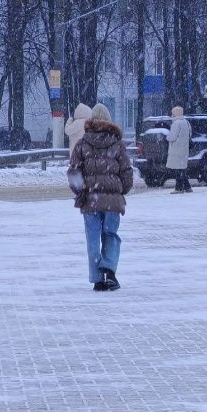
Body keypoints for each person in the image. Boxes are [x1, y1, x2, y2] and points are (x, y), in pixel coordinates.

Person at [68, 103, 133, 291]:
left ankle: (97, 279)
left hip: (90, 199)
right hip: (112, 201)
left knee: (93, 239)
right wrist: (121, 191)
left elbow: (74, 172)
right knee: (111, 234)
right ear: (109, 120)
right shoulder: (117, 144)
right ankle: (109, 271)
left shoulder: (82, 144)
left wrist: (80, 191)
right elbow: (126, 172)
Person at [166, 105, 193, 194]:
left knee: (178, 169)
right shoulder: (186, 122)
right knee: (182, 168)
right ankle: (187, 187)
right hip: (184, 148)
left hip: (176, 149)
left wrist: (167, 137)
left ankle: (179, 188)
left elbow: (172, 137)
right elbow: (190, 134)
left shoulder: (176, 123)